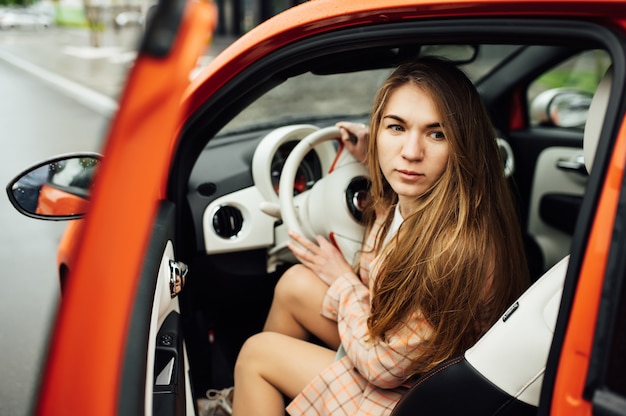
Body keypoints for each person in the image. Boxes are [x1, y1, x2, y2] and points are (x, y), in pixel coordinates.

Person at [213, 56, 530, 416]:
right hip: (410, 359)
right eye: (396, 128)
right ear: (376, 129)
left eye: (436, 133)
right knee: (295, 283)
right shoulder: (418, 199)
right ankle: (253, 401)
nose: (411, 153)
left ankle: (255, 393)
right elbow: (389, 233)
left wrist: (341, 278)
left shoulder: (453, 250)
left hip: (418, 397)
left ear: (463, 144)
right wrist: (370, 160)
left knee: (257, 354)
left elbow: (382, 367)